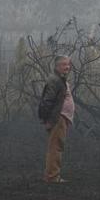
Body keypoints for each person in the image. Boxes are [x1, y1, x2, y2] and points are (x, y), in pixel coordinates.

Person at [38, 55, 74, 183]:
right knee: (55, 147)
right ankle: (52, 177)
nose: (67, 67)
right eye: (64, 64)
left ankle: (52, 175)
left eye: (68, 64)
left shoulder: (60, 79)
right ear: (57, 66)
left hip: (61, 118)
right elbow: (47, 101)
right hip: (57, 119)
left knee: (57, 146)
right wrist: (47, 120)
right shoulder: (55, 80)